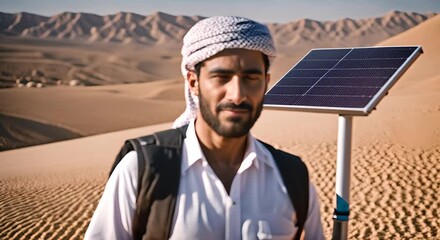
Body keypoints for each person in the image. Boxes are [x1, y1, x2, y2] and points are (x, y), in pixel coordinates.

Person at [85, 16, 324, 240]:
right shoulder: (140, 170)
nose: (238, 95)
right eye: (222, 77)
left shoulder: (292, 177)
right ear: (193, 82)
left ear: (266, 83)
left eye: (251, 78)